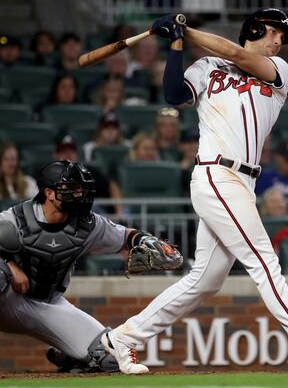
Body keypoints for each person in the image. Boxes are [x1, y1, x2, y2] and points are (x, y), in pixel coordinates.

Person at [100, 11, 288, 375]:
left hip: (244, 182)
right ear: (256, 29)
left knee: (205, 280)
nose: (279, 40)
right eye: (274, 32)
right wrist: (176, 44)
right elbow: (173, 94)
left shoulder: (280, 70)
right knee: (265, 263)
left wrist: (187, 30)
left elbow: (240, 55)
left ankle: (125, 337)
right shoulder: (207, 65)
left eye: (282, 35)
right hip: (216, 173)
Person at [0, 160, 179, 373]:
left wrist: (146, 241)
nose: (79, 194)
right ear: (49, 193)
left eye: (81, 188)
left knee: (110, 358)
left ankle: (71, 355)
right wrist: (9, 265)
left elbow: (125, 236)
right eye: (71, 189)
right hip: (8, 296)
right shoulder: (16, 218)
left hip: (47, 304)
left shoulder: (87, 224)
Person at [53, 136, 124, 216]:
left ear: (77, 154)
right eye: (64, 151)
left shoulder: (88, 171)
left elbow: (111, 185)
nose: (68, 154)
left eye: (72, 151)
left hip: (93, 215)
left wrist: (120, 214)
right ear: (56, 155)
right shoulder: (49, 175)